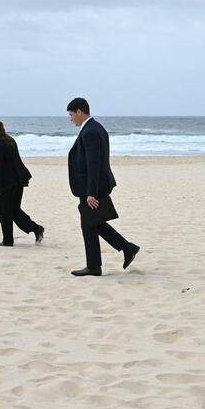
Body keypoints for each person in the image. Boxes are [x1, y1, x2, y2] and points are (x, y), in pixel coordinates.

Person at [66, 97, 140, 276]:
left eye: (71, 115)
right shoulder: (96, 127)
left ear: (79, 112)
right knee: (92, 222)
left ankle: (95, 266)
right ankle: (126, 248)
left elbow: (94, 164)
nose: (70, 119)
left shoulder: (90, 131)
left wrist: (90, 193)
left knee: (89, 224)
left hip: (92, 187)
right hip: (95, 184)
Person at [0, 120, 44, 247]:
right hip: (19, 181)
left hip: (7, 182)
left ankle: (8, 240)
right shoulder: (10, 140)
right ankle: (36, 229)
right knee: (14, 210)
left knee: (3, 211)